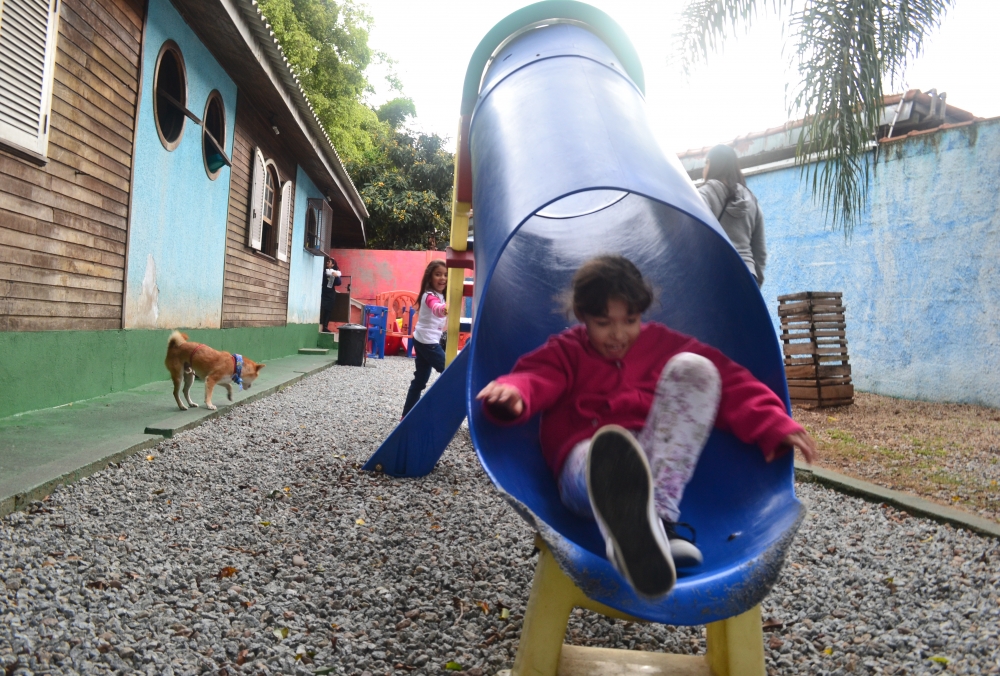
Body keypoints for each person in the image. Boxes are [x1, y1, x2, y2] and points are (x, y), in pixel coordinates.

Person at [476, 255, 816, 599]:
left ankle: (657, 526)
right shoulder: (567, 352)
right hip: (586, 470)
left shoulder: (660, 344)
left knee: (696, 368)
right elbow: (536, 376)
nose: (618, 334)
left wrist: (771, 421)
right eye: (603, 322)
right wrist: (514, 393)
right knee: (608, 455)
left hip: (649, 466)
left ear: (642, 314)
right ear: (582, 317)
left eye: (631, 320)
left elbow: (728, 378)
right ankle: (630, 534)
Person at [698, 144, 767, 286]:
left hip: (716, 276)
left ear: (712, 164)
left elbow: (694, 238)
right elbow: (760, 252)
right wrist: (756, 283)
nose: (703, 169)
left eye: (706, 163)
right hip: (748, 277)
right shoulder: (751, 199)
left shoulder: (703, 195)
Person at [401, 260, 449, 418]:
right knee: (449, 372)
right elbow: (436, 308)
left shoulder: (442, 295)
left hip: (422, 339)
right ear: (430, 278)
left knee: (420, 380)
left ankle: (406, 415)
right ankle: (437, 409)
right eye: (438, 274)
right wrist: (445, 309)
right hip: (428, 342)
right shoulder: (429, 295)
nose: (442, 278)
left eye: (446, 275)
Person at [319, 257, 341, 333]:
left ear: (333, 264)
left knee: (328, 310)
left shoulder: (334, 272)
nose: (327, 263)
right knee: (322, 308)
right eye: (327, 261)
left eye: (329, 262)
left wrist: (336, 276)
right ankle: (320, 322)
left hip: (330, 294)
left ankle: (325, 326)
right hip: (323, 292)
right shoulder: (324, 271)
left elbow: (338, 283)